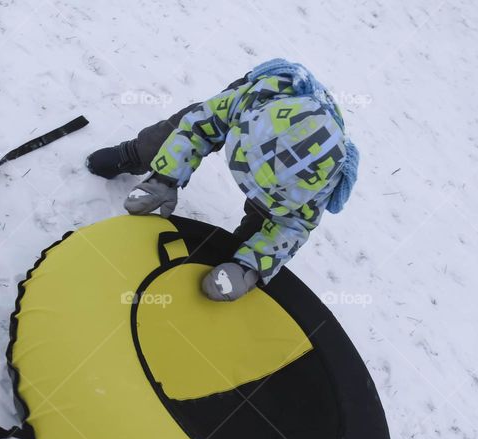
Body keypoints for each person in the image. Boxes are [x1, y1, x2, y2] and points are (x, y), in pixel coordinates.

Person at [86, 59, 360, 302]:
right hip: (260, 106)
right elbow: (196, 129)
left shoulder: (320, 185)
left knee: (263, 222)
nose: (251, 188)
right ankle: (133, 154)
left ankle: (235, 259)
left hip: (292, 167)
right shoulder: (248, 101)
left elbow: (291, 227)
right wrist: (165, 177)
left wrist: (249, 266)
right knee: (173, 131)